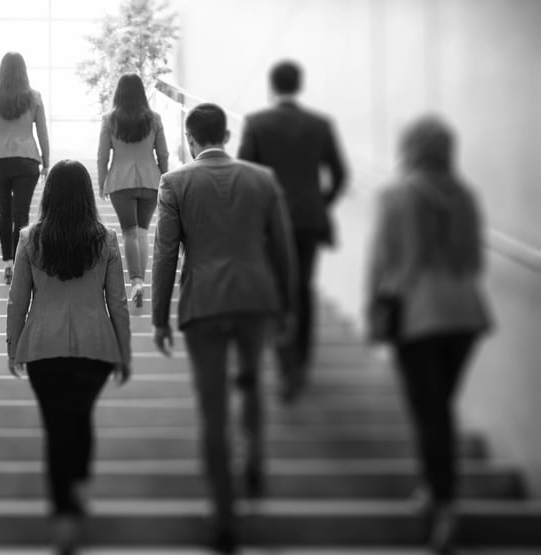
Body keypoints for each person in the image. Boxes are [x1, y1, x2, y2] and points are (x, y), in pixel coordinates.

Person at [151, 104, 296, 554]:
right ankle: (253, 458)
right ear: (228, 135)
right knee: (251, 381)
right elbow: (285, 249)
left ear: (190, 139)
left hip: (205, 303)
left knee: (213, 408)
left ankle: (224, 514)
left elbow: (165, 254)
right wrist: (288, 307)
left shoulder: (175, 182)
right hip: (256, 299)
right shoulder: (263, 179)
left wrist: (159, 317)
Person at [366, 115, 491, 554]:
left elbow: (382, 262)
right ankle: (430, 487)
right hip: (467, 316)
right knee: (438, 408)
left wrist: (373, 312)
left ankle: (444, 510)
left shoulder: (397, 194)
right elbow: (474, 260)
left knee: (430, 414)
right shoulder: (464, 196)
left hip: (419, 316)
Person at [7, 160, 131, 555]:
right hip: (95, 347)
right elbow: (118, 303)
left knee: (56, 427)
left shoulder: (29, 238)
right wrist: (124, 353)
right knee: (79, 418)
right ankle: (76, 485)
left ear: (49, 194)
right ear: (86, 194)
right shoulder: (106, 238)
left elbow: (18, 301)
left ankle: (63, 513)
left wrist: (13, 346)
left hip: (44, 346)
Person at [237, 60, 347, 402]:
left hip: (271, 222)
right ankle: (299, 364)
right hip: (309, 221)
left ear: (272, 85)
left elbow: (244, 175)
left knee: (276, 288)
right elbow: (340, 175)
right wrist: (320, 202)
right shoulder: (320, 125)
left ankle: (284, 362)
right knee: (303, 287)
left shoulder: (257, 123)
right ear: (299, 85)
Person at [97, 73, 169, 307]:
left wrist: (101, 182)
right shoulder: (154, 119)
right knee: (143, 232)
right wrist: (165, 179)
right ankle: (143, 282)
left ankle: (136, 282)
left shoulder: (110, 119)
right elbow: (163, 154)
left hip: (121, 181)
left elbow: (102, 155)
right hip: (150, 180)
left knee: (128, 232)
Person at [0, 51, 50, 285]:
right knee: (21, 214)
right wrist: (46, 162)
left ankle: (7, 263)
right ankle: (19, 264)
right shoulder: (34, 97)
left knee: (4, 213)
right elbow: (42, 133)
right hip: (27, 160)